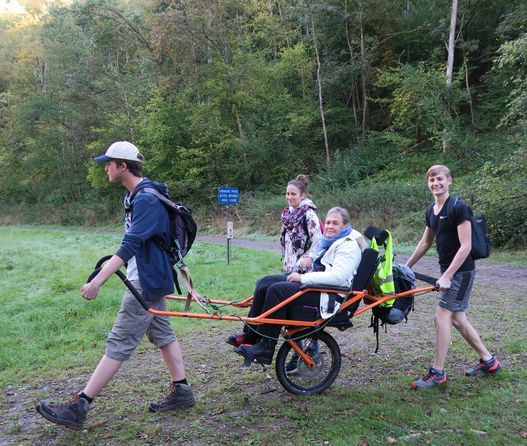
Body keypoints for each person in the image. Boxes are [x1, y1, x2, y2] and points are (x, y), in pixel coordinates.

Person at [35, 141, 195, 430]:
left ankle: (80, 405)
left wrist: (97, 281)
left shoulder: (145, 199)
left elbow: (130, 245)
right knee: (162, 332)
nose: (106, 168)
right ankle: (182, 390)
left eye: (109, 163)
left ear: (123, 166)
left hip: (143, 282)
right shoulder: (138, 195)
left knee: (119, 341)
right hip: (152, 277)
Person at [405, 164, 501, 389]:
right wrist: (406, 266)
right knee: (458, 319)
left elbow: (466, 246)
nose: (435, 183)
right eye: (431, 180)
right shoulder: (431, 210)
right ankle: (489, 362)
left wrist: (447, 276)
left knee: (441, 316)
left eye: (439, 179)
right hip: (448, 271)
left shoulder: (459, 207)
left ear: (449, 180)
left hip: (461, 271)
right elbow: (426, 242)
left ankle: (437, 372)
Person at [234, 207, 367, 366]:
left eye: (335, 223)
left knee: (277, 291)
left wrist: (303, 278)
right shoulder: (329, 240)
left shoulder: (349, 245)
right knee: (264, 283)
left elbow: (338, 277)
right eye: (328, 222)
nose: (330, 226)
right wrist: (300, 268)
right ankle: (250, 336)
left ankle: (266, 348)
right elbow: (314, 260)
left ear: (345, 226)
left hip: (329, 294)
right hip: (318, 286)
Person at [226, 174, 322, 348]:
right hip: (291, 268)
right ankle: (251, 334)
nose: (289, 197)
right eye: (287, 194)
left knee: (292, 308)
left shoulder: (309, 215)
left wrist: (307, 260)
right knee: (263, 284)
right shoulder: (287, 216)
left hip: (306, 272)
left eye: (293, 194)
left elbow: (318, 243)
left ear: (302, 196)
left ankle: (308, 349)